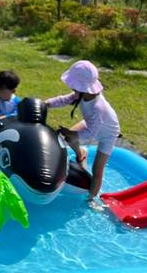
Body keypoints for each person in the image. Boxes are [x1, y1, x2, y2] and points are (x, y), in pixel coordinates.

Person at [44, 60, 120, 205]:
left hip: (107, 135)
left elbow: (90, 134)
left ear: (84, 87)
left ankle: (91, 199)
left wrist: (74, 135)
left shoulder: (98, 107)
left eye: (74, 86)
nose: (72, 88)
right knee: (69, 136)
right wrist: (47, 103)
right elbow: (64, 100)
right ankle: (81, 153)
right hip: (91, 123)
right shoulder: (81, 94)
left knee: (97, 171)